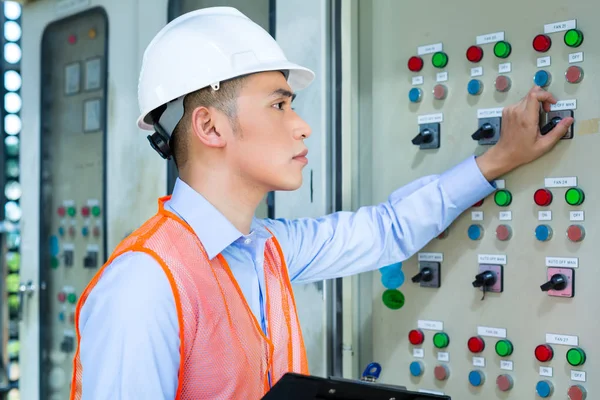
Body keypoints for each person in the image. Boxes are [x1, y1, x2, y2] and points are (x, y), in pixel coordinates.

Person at [69, 7, 573, 400]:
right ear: (210, 126)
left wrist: (498, 160)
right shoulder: (146, 284)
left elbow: (387, 229)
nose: (301, 124)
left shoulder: (265, 249)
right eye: (279, 104)